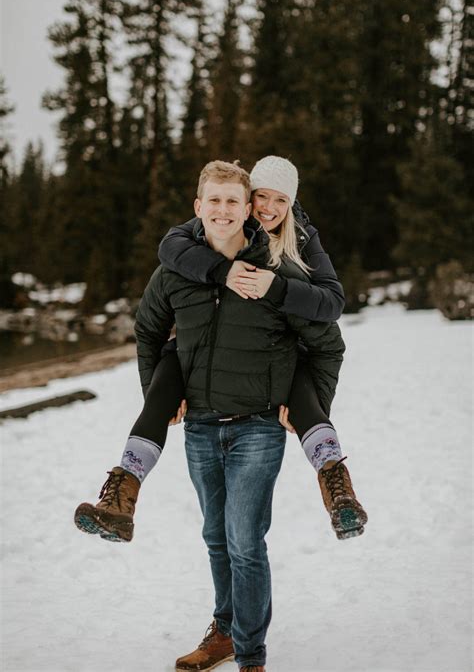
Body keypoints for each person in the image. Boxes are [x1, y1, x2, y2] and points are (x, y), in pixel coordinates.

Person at [75, 157, 367, 552]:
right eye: (261, 196)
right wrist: (221, 271)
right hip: (209, 352)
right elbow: (169, 250)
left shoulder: (300, 239)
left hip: (283, 353)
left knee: (296, 377)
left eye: (279, 200)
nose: (268, 208)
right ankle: (122, 493)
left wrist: (275, 288)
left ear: (290, 204)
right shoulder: (201, 232)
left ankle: (338, 487)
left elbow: (331, 306)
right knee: (170, 363)